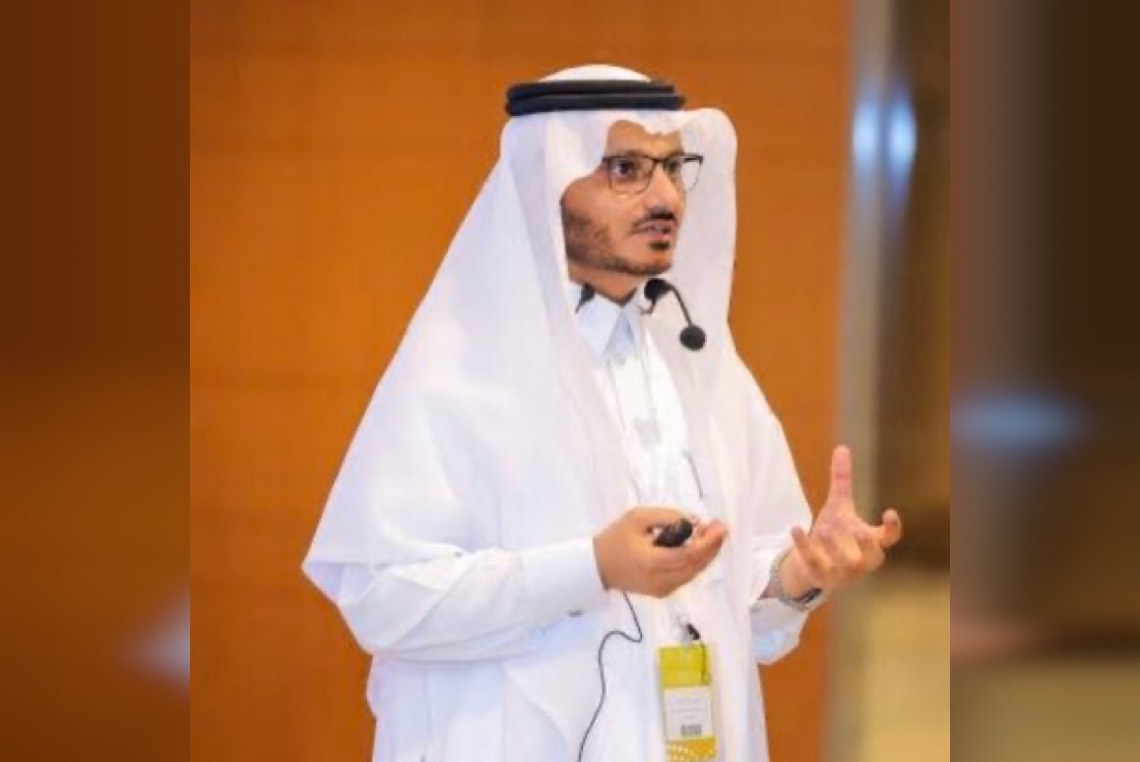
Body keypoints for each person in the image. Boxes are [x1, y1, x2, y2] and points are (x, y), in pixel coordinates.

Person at [303, 64, 902, 762]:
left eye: (672, 167)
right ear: (549, 183)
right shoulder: (460, 370)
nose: (666, 196)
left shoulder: (700, 365)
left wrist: (801, 576)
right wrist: (590, 567)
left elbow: (739, 605)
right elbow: (381, 598)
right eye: (626, 169)